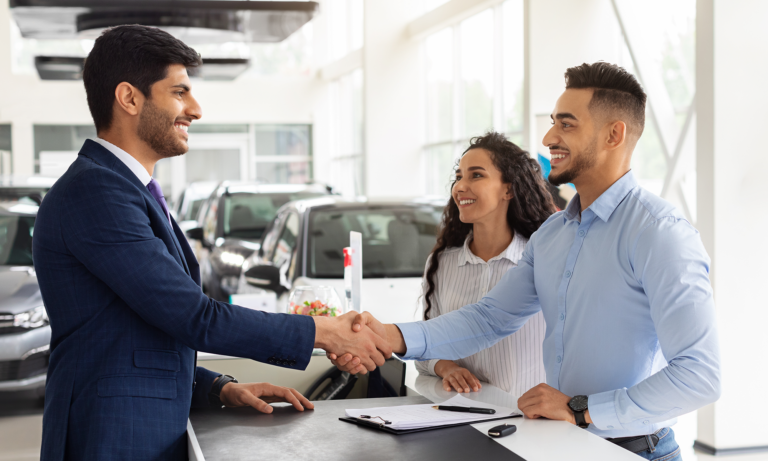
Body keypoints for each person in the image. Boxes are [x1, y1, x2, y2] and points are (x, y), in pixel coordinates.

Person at [33, 25, 390, 461]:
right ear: (129, 98)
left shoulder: (126, 188)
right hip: (112, 438)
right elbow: (192, 315)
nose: (195, 109)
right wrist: (325, 332)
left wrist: (220, 387)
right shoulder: (97, 192)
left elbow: (131, 338)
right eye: (180, 92)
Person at [332, 62, 721, 461]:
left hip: (634, 451)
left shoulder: (660, 233)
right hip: (562, 446)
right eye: (554, 123)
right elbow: (489, 318)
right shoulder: (553, 235)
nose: (549, 137)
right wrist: (389, 336)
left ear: (613, 134)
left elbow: (699, 375)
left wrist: (581, 409)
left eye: (566, 125)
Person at [413, 132, 555, 396]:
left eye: (476, 175)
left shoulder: (545, 259)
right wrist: (447, 368)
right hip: (463, 417)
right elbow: (425, 347)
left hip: (532, 424)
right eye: (458, 177)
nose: (460, 186)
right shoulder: (442, 263)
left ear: (509, 189)